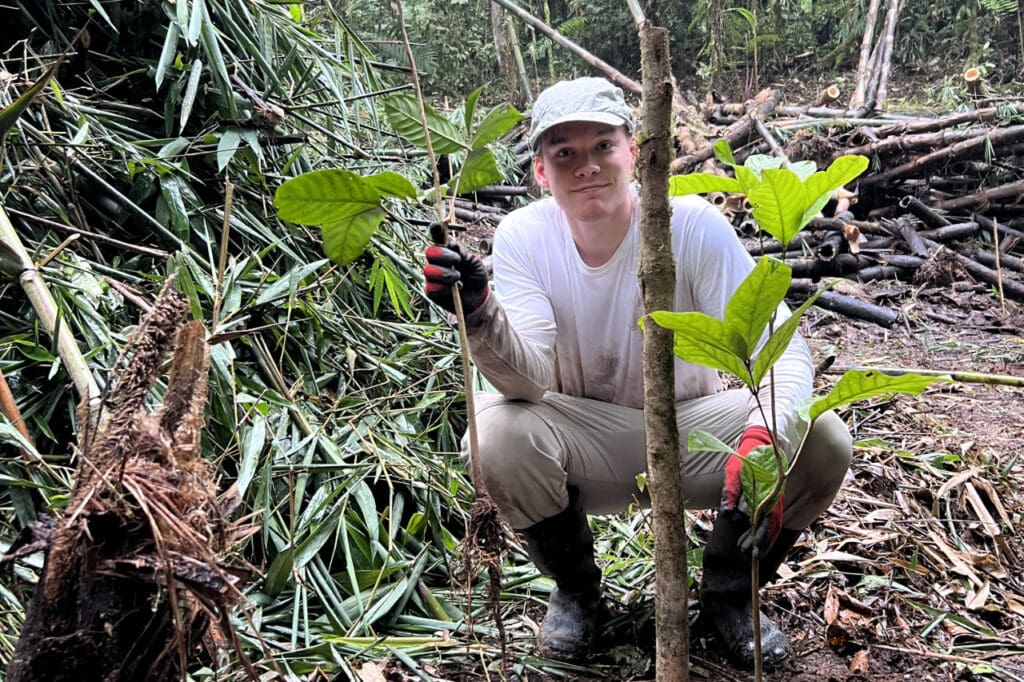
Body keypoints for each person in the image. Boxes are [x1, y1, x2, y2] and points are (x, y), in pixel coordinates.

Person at [422, 77, 852, 670]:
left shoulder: (692, 225)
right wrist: (479, 312)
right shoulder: (524, 236)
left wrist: (763, 436)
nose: (587, 166)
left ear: (637, 152)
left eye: (603, 145)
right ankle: (577, 591)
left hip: (693, 433)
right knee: (494, 434)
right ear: (542, 172)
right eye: (564, 153)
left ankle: (730, 597)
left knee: (822, 438)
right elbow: (526, 382)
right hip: (585, 440)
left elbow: (783, 353)